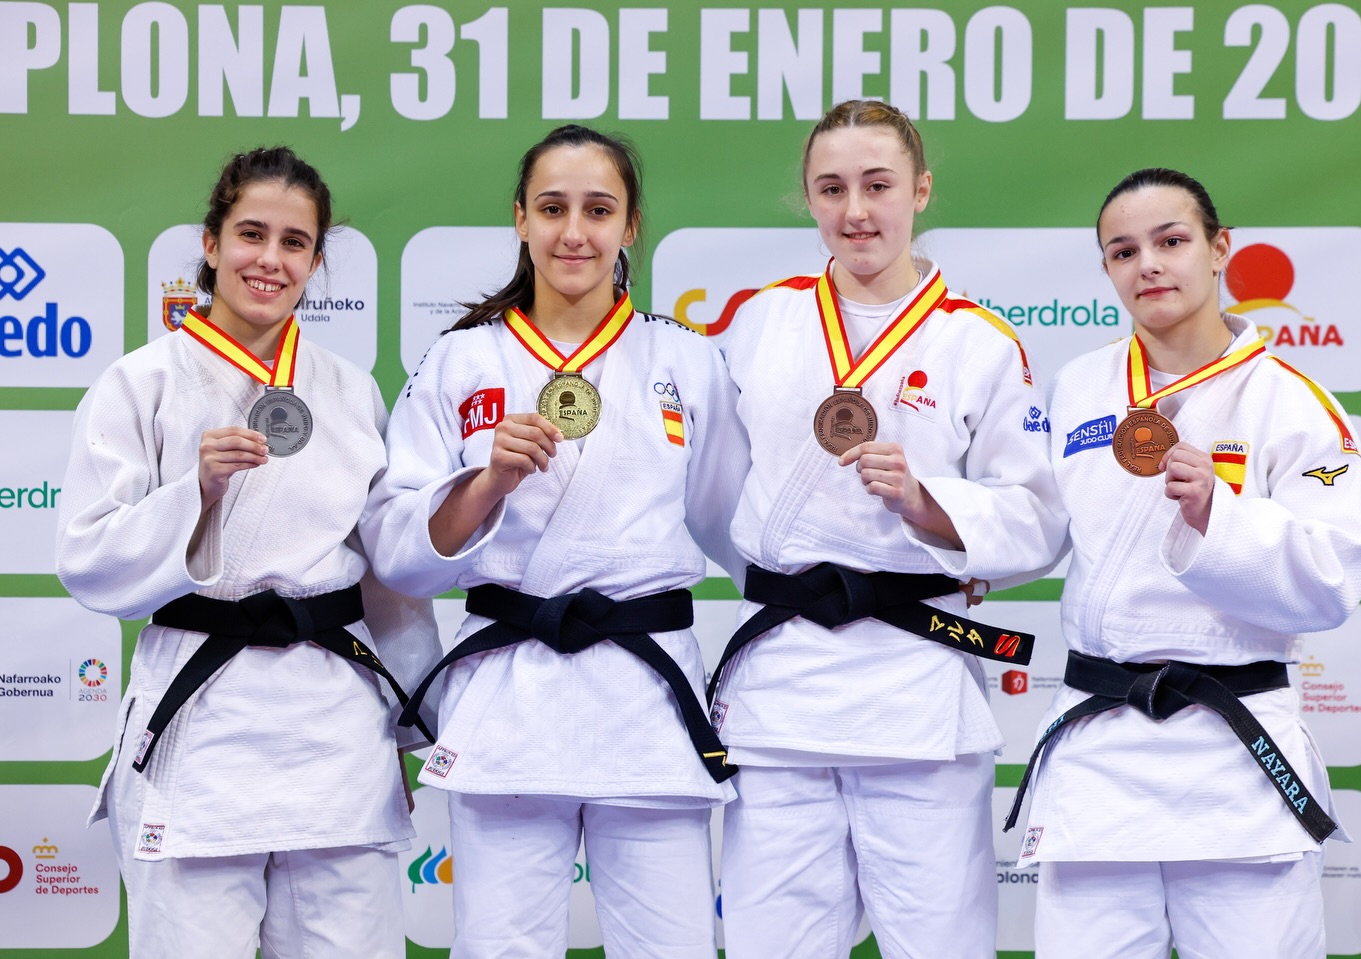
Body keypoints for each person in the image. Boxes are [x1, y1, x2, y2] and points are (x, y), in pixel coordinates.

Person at [360, 124, 748, 959]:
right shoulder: (461, 360)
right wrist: (485, 482)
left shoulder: (685, 359)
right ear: (520, 220)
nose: (575, 231)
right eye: (553, 207)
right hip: (511, 696)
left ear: (631, 226)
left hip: (645, 695)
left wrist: (905, 570)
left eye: (598, 209)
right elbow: (397, 548)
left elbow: (740, 525)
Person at [55, 146, 441, 958]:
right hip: (203, 725)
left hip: (333, 729)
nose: (270, 260)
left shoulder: (348, 387)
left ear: (317, 259)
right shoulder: (142, 383)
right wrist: (192, 489)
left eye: (294, 242)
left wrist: (412, 716)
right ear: (210, 242)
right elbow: (87, 558)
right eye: (251, 234)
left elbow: (384, 574)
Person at [709, 99, 1067, 959]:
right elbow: (714, 492)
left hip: (914, 683)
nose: (856, 210)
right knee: (771, 942)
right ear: (807, 198)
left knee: (938, 941)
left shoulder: (978, 342)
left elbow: (1040, 518)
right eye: (831, 188)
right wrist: (787, 580)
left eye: (878, 185)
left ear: (922, 190)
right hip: (784, 683)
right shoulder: (761, 321)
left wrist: (928, 503)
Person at [1006, 168, 1361, 958]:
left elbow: (1333, 577)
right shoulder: (1078, 386)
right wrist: (930, 508)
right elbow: (1027, 522)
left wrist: (1218, 514)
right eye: (1123, 250)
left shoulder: (1293, 400)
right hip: (1103, 748)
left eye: (1171, 241)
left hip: (1232, 755)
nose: (1149, 264)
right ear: (1107, 269)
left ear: (1219, 249)